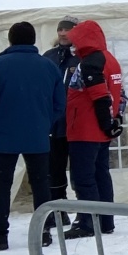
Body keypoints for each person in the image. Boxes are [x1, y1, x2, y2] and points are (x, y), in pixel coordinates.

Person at [0, 21, 65, 251]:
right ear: (33, 40)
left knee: (1, 185)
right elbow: (59, 103)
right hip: (37, 133)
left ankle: (0, 234)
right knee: (41, 184)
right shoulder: (48, 66)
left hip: (4, 135)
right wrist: (45, 122)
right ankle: (43, 231)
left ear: (10, 39)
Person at [60, 19, 124, 239]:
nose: (74, 45)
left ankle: (88, 222)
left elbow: (99, 96)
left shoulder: (90, 62)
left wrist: (106, 123)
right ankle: (106, 220)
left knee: (84, 178)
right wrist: (115, 122)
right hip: (100, 132)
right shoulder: (111, 60)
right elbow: (120, 96)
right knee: (101, 175)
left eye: (77, 40)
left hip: (86, 129)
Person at [44, 17, 79, 218]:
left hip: (77, 125)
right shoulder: (49, 57)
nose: (63, 33)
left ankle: (87, 212)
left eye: (68, 29)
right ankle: (59, 210)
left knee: (81, 172)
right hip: (54, 125)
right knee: (54, 170)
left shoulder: (83, 57)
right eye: (60, 29)